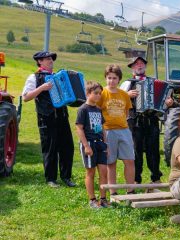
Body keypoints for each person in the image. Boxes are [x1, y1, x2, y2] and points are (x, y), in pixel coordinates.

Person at [22, 51, 75, 188]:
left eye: (51, 58)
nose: (50, 60)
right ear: (39, 62)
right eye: (47, 59)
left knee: (67, 147)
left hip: (62, 116)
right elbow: (26, 97)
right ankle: (51, 179)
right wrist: (42, 88)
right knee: (50, 148)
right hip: (46, 117)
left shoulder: (58, 76)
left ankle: (66, 177)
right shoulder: (34, 77)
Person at [126, 56, 175, 185]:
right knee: (136, 150)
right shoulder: (127, 83)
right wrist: (127, 95)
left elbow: (168, 99)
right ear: (132, 67)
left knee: (153, 149)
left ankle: (156, 177)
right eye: (136, 64)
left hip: (152, 119)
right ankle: (136, 179)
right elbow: (117, 98)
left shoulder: (154, 81)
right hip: (135, 120)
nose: (139, 65)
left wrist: (169, 102)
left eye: (141, 63)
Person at [97, 64, 135, 195]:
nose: (111, 81)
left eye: (114, 78)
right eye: (109, 78)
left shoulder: (124, 94)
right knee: (110, 162)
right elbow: (97, 112)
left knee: (129, 160)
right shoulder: (101, 94)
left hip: (124, 130)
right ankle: (113, 191)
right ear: (105, 78)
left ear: (119, 80)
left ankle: (130, 190)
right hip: (108, 130)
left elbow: (126, 112)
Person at [76, 81, 109, 209]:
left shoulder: (98, 110)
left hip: (100, 144)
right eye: (95, 93)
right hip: (89, 144)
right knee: (91, 172)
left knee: (103, 172)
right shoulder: (83, 109)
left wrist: (106, 145)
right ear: (88, 93)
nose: (98, 96)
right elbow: (79, 128)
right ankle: (92, 200)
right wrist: (86, 146)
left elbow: (103, 128)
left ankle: (103, 199)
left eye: (100, 94)